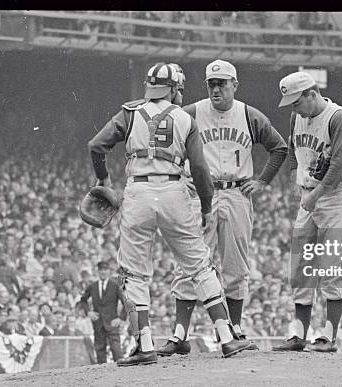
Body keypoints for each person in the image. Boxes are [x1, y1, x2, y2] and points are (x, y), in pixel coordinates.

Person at [87, 62, 250, 366]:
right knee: (199, 266)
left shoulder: (130, 112)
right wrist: (204, 206)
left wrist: (104, 180)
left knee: (134, 273)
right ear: (175, 89)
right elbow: (200, 169)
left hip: (138, 193)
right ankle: (227, 339)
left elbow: (96, 146)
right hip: (175, 191)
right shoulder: (185, 118)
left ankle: (144, 345)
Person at [159, 59, 287, 357]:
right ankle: (180, 335)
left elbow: (279, 147)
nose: (217, 89)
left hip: (236, 192)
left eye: (222, 83)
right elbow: (163, 143)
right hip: (199, 194)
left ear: (234, 85)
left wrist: (263, 182)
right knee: (190, 262)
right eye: (212, 84)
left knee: (235, 266)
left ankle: (236, 330)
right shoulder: (191, 112)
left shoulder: (248, 114)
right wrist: (179, 175)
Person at [272, 71, 342, 353]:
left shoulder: (339, 118)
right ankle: (298, 333)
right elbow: (293, 150)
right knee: (300, 265)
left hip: (336, 195)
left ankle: (328, 336)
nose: (294, 108)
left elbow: (340, 166)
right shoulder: (297, 116)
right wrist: (296, 179)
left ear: (312, 94)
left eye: (297, 102)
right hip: (309, 194)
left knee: (333, 264)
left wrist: (314, 195)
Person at [79, 261, 127, 364]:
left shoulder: (115, 286)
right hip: (98, 323)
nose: (103, 272)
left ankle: (121, 374)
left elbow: (126, 303)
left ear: (109, 271)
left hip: (112, 322)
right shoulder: (93, 286)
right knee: (100, 350)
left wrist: (120, 318)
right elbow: (83, 300)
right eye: (101, 270)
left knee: (116, 350)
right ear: (97, 271)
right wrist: (89, 312)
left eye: (105, 270)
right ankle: (101, 376)